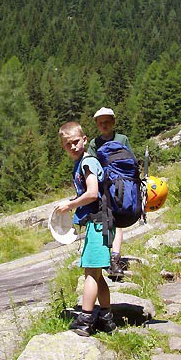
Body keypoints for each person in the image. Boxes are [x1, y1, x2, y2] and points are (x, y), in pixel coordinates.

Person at [55, 121, 116, 337]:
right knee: (97, 275)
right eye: (67, 145)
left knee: (90, 273)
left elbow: (92, 193)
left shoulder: (88, 162)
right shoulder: (83, 163)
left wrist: (71, 205)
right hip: (100, 222)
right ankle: (107, 319)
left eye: (75, 142)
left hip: (99, 223)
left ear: (84, 140)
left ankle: (85, 320)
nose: (72, 147)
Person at [88, 107, 133, 278]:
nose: (104, 125)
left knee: (118, 221)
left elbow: (131, 161)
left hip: (120, 186)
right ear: (97, 125)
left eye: (107, 122)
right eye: (101, 123)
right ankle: (107, 257)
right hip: (102, 187)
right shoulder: (94, 143)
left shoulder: (123, 139)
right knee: (106, 220)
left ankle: (115, 257)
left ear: (113, 122)